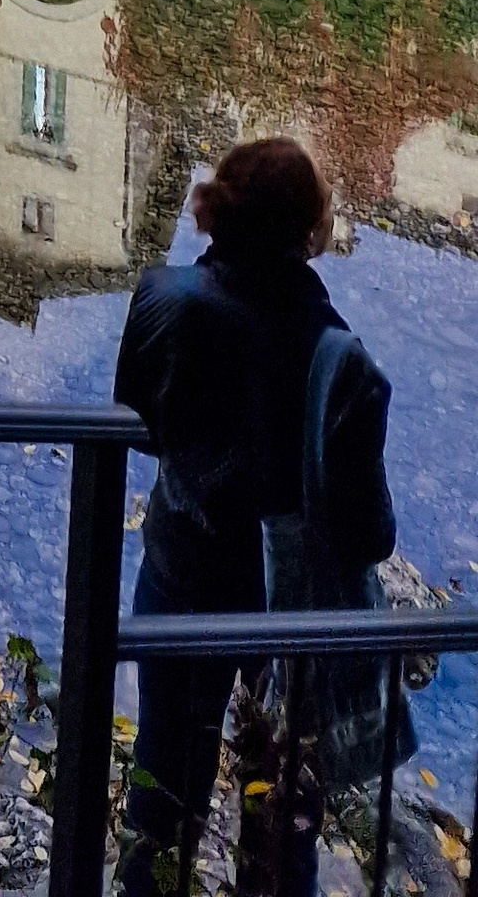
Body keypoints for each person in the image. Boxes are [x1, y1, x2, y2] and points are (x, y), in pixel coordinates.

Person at [112, 138, 396, 897]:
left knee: (162, 795)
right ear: (311, 233)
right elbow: (372, 534)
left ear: (217, 214)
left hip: (180, 580)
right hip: (287, 620)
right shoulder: (344, 362)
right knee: (280, 828)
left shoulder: (161, 300)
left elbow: (140, 422)